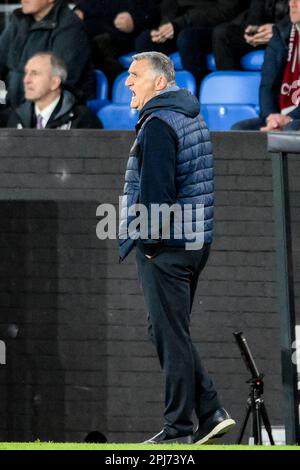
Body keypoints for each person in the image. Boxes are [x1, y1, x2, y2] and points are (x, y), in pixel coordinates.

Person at [119, 51, 235, 444]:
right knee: (169, 331)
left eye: (135, 75)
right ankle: (210, 410)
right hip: (193, 241)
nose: (127, 82)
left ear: (160, 83)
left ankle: (178, 430)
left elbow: (156, 193)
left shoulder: (158, 124)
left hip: (167, 245)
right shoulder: (189, 114)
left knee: (169, 333)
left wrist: (149, 245)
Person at [0, 0, 95, 108]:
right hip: (12, 106)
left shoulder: (70, 28)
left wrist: (18, 115)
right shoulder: (19, 20)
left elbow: (58, 85)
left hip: (50, 113)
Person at [135, 0, 246, 88]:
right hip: (178, 25)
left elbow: (227, 10)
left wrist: (180, 23)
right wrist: (166, 24)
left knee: (187, 39)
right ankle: (156, 101)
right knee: (145, 40)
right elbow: (169, 3)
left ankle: (195, 98)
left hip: (212, 26)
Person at [232, 0, 300, 132]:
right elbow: (267, 84)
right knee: (239, 129)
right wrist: (271, 118)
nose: (292, 4)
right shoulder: (281, 31)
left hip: (294, 117)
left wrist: (290, 118)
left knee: (291, 128)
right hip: (280, 116)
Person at [6, 52, 102, 129]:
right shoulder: (17, 117)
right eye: (26, 73)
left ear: (54, 83)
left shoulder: (82, 119)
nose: (26, 80)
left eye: (35, 73)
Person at [213, 0, 289, 70]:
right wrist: (255, 30)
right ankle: (229, 84)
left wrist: (281, 29)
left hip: (291, 33)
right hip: (267, 31)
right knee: (222, 34)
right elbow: (255, 17)